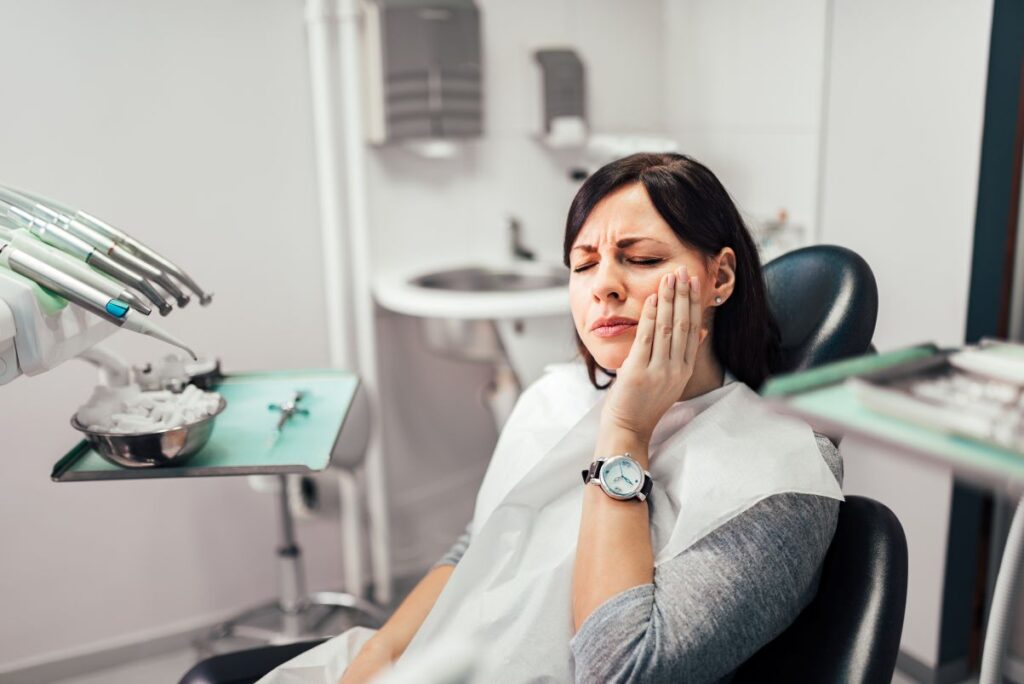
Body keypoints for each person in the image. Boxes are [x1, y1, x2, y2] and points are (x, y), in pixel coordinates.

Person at [274, 153, 845, 684]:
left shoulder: (782, 474)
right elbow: (480, 547)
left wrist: (626, 433)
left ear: (719, 278)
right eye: (583, 264)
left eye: (642, 260)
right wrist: (375, 661)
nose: (605, 286)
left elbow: (620, 669)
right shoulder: (556, 397)